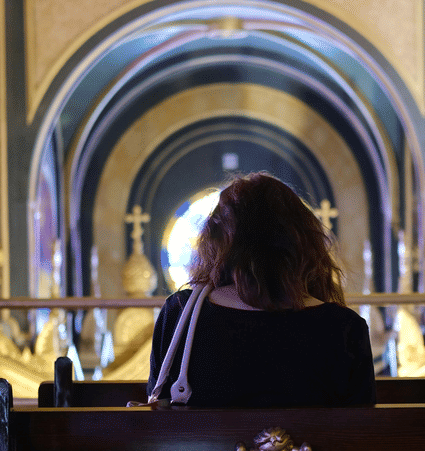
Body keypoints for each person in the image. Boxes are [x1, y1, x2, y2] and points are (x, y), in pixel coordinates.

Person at [147, 172, 375, 407]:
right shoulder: (346, 327)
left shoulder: (180, 314)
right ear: (303, 243)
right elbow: (362, 431)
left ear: (217, 241)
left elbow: (160, 411)